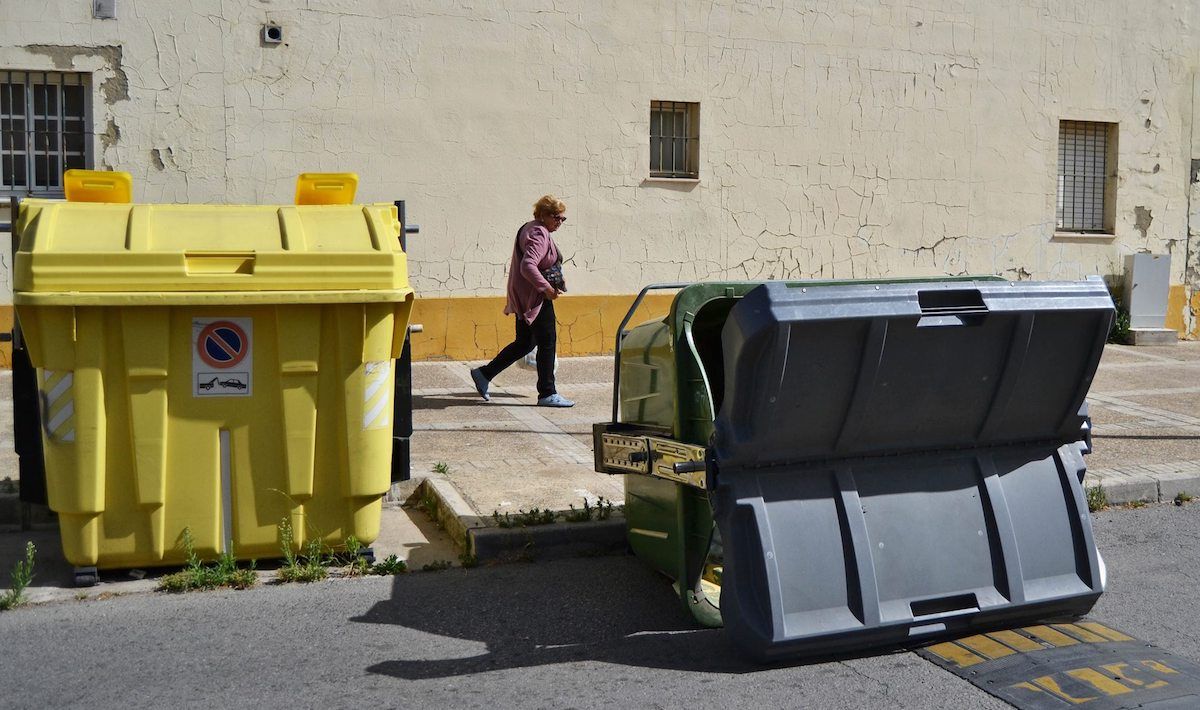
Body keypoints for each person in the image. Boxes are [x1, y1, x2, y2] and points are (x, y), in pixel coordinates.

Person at [470, 195, 574, 407]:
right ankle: (547, 393)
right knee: (547, 342)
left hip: (525, 296)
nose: (559, 222)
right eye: (557, 217)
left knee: (525, 343)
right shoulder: (538, 233)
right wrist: (546, 289)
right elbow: (528, 266)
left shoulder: (531, 228)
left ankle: (484, 374)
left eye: (563, 219)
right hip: (535, 298)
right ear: (543, 215)